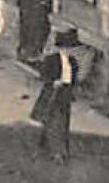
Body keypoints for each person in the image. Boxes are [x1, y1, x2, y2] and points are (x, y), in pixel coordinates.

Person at [31, 29, 80, 161]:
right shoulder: (51, 60)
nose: (67, 50)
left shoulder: (73, 61)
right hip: (52, 93)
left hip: (65, 95)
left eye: (70, 48)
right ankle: (57, 152)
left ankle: (53, 147)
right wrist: (54, 81)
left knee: (61, 122)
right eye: (65, 48)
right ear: (60, 47)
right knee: (54, 120)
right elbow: (43, 75)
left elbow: (74, 78)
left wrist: (70, 87)